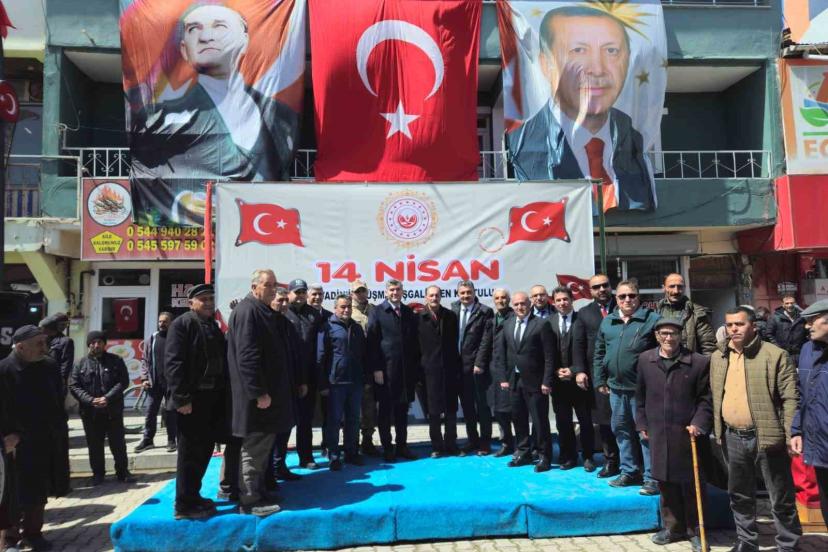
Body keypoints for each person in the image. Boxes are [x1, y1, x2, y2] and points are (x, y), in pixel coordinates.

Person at [130, 3, 299, 190]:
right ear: (184, 50)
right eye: (194, 29)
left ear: (244, 40)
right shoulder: (159, 119)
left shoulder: (282, 117)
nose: (205, 37)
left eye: (219, 26)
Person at [508, 5, 653, 211]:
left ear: (628, 60)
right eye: (578, 51)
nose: (597, 69)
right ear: (546, 64)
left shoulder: (635, 139)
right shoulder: (523, 143)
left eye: (611, 51)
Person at [711, 306, 801, 552]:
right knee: (739, 494)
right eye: (729, 325)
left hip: (767, 437)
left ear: (753, 326)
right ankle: (747, 541)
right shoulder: (718, 357)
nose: (734, 329)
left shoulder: (775, 355)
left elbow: (790, 398)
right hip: (732, 436)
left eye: (739, 324)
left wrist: (791, 434)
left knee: (780, 495)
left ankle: (788, 544)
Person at [636, 319, 712, 552]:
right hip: (658, 431)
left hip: (687, 433)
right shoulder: (645, 360)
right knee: (665, 481)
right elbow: (640, 396)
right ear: (657, 335)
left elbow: (706, 399)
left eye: (674, 334)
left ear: (681, 336)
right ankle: (673, 528)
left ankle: (695, 530)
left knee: (691, 483)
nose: (669, 338)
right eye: (664, 333)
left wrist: (698, 422)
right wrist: (642, 423)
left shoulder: (698, 362)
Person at [227, 270, 294, 517]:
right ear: (254, 286)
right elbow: (247, 356)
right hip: (256, 399)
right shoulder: (248, 311)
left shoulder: (260, 310)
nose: (272, 289)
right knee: (254, 449)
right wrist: (258, 392)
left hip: (267, 397)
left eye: (274, 284)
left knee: (263, 448)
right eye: (267, 285)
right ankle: (250, 500)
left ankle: (260, 491)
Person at [0, 326, 70, 551]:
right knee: (12, 492)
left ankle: (33, 533)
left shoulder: (48, 366)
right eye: (38, 344)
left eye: (44, 342)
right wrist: (8, 437)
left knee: (37, 491)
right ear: (20, 347)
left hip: (43, 439)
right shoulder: (4, 370)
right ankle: (10, 538)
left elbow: (57, 400)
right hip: (15, 443)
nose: (44, 347)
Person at [165, 283, 228, 520]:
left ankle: (193, 495)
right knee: (190, 453)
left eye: (211, 298)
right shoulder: (182, 324)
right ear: (191, 303)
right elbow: (173, 364)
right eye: (203, 299)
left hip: (210, 399)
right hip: (191, 401)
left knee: (204, 450)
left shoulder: (212, 325)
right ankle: (184, 504)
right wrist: (181, 398)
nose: (209, 303)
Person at [594, 279, 660, 495]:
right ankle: (630, 471)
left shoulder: (652, 320)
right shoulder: (608, 321)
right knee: (621, 430)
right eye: (622, 296)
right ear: (616, 299)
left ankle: (652, 477)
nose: (627, 300)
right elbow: (599, 352)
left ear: (639, 298)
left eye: (632, 295)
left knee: (645, 434)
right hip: (616, 389)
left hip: (642, 390)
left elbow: (663, 352)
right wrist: (600, 380)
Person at [496, 291, 557, 473]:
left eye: (523, 303)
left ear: (529, 304)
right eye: (516, 304)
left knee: (539, 421)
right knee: (518, 418)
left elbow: (549, 356)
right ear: (512, 306)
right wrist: (503, 378)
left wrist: (547, 380)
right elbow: (502, 353)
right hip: (514, 381)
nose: (520, 307)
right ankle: (523, 453)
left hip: (536, 382)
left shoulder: (541, 324)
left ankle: (544, 456)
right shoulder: (507, 324)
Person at [69, 331, 135, 486]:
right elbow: (74, 386)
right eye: (93, 342)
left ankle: (122, 472)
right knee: (95, 445)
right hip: (90, 412)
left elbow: (123, 382)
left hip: (112, 410)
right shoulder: (80, 363)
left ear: (105, 344)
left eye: (99, 342)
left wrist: (107, 398)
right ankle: (98, 474)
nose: (96, 345)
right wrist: (91, 400)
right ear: (88, 345)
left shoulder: (116, 360)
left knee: (118, 444)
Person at [367, 280, 421, 462]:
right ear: (386, 292)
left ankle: (402, 446)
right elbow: (372, 342)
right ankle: (388, 448)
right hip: (386, 372)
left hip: (405, 373)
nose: (395, 293)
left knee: (402, 412)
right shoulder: (377, 311)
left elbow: (414, 343)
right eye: (391, 290)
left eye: (398, 289)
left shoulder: (407, 312)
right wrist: (376, 368)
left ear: (402, 292)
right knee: (385, 412)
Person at [572, 273, 620, 478]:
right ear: (590, 291)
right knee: (605, 419)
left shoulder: (623, 306)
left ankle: (633, 461)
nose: (601, 289)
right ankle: (611, 461)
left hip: (623, 373)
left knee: (628, 419)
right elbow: (578, 344)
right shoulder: (584, 313)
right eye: (596, 287)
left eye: (605, 285)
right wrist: (580, 370)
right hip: (598, 375)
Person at [318, 295, 368, 469]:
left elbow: (363, 354)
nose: (346, 310)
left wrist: (364, 377)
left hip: (355, 382)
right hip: (336, 383)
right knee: (334, 420)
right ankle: (333, 454)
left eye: (348, 306)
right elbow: (321, 357)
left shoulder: (357, 327)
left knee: (353, 419)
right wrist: (323, 384)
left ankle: (351, 452)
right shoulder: (327, 327)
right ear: (335, 308)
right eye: (342, 307)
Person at [549, 286, 594, 471]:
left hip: (579, 381)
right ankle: (568, 456)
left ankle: (588, 456)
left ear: (572, 300)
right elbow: (546, 353)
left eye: (565, 299)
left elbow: (588, 351)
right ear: (554, 303)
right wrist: (555, 371)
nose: (562, 303)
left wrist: (575, 370)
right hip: (558, 383)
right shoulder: (549, 322)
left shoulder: (581, 321)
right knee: (563, 422)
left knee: (585, 421)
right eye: (558, 300)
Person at [791, 299, 828, 525]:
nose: (808, 326)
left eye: (813, 320)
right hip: (819, 444)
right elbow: (802, 396)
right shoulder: (807, 350)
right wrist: (797, 430)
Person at [267, 288, 307, 484]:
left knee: (285, 428)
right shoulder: (265, 323)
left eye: (285, 301)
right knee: (270, 434)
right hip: (271, 389)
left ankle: (279, 466)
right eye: (279, 301)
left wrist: (301, 381)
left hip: (289, 386)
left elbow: (297, 355)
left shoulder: (288, 324)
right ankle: (269, 474)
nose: (283, 304)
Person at [451, 280, 494, 456]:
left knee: (482, 407)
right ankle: (472, 440)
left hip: (477, 368)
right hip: (459, 368)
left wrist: (479, 363)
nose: (466, 296)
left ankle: (485, 443)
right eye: (462, 293)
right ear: (458, 294)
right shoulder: (453, 309)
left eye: (469, 292)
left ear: (474, 292)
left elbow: (486, 340)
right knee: (467, 406)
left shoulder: (485, 311)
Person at [284, 278, 323, 469]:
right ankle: (278, 464)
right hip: (287, 376)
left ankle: (306, 457)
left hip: (308, 376)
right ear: (289, 293)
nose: (300, 295)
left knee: (305, 420)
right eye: (296, 292)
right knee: (283, 422)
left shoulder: (314, 314)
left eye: (302, 292)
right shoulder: (282, 312)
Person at [419, 286, 462, 457]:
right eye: (431, 295)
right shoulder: (418, 318)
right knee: (434, 412)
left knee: (451, 410)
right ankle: (436, 446)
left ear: (441, 297)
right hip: (429, 372)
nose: (434, 298)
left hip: (449, 369)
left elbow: (455, 342)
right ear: (426, 297)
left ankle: (451, 444)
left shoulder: (450, 316)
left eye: (437, 295)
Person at [135, 312, 177, 453]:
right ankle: (148, 440)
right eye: (160, 321)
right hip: (154, 383)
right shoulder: (152, 338)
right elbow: (145, 360)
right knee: (150, 412)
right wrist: (144, 378)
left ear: (171, 323)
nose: (161, 324)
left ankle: (171, 440)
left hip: (171, 384)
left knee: (171, 413)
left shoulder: (176, 337)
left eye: (165, 321)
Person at [350, 280, 379, 457]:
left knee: (369, 407)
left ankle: (367, 440)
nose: (360, 294)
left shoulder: (374, 309)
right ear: (351, 293)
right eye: (357, 291)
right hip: (354, 365)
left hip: (371, 365)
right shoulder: (347, 310)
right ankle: (352, 444)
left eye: (363, 291)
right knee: (353, 408)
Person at [654, 274, 716, 355]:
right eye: (672, 286)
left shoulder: (697, 313)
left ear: (684, 288)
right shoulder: (655, 312)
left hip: (689, 361)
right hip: (660, 361)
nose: (676, 291)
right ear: (664, 288)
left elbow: (709, 347)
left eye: (680, 287)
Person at [489, 288, 515, 457]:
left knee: (514, 411)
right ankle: (506, 442)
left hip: (510, 370)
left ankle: (521, 445)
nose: (501, 300)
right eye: (497, 298)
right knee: (499, 410)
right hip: (494, 371)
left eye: (504, 297)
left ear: (509, 299)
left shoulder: (514, 317)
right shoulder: (492, 319)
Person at [766, 294, 808, 364]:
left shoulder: (802, 317)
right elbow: (769, 334)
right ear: (783, 305)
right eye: (787, 303)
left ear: (795, 304)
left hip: (800, 354)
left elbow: (807, 333)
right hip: (782, 354)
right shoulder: (775, 318)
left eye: (792, 303)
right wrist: (778, 347)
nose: (790, 305)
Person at [38, 312, 74, 395]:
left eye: (65, 325)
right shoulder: (43, 339)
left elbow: (66, 364)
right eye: (61, 324)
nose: (64, 327)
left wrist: (61, 381)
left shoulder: (66, 341)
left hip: (55, 381)